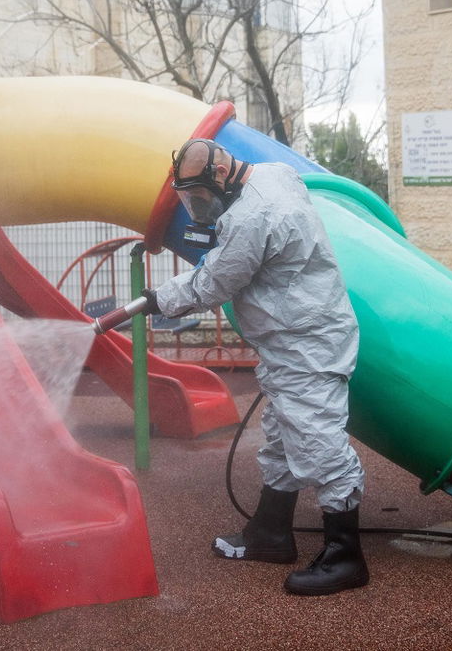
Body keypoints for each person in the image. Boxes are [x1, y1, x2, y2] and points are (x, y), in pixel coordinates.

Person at [141, 137, 368, 596]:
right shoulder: (273, 174)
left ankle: (346, 557)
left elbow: (213, 282)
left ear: (221, 175)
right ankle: (270, 533)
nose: (196, 208)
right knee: (285, 437)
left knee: (319, 443)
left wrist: (155, 300)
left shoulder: (254, 216)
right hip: (297, 334)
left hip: (306, 341)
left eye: (199, 197)